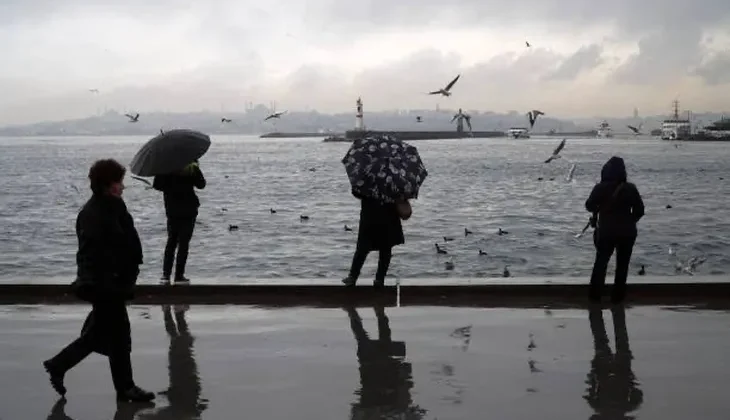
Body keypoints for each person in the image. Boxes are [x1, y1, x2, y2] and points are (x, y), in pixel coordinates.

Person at [42, 159, 155, 402]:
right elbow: (99, 251)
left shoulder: (110, 207)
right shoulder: (97, 213)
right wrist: (115, 277)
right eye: (119, 182)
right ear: (108, 185)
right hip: (105, 285)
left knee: (117, 336)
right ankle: (58, 364)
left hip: (111, 283)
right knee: (104, 334)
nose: (123, 187)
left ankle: (125, 387)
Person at [585, 156, 645, 303]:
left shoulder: (600, 188)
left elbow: (589, 206)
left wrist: (600, 209)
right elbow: (640, 210)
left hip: (606, 232)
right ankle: (617, 298)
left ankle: (595, 297)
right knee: (622, 266)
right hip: (627, 233)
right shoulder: (630, 188)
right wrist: (630, 221)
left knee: (601, 263)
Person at [153, 160, 206, 284]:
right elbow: (201, 184)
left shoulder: (165, 166)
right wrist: (195, 170)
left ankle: (165, 276)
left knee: (171, 241)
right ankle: (179, 276)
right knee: (184, 243)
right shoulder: (191, 166)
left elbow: (157, 185)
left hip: (172, 209)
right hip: (189, 209)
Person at [342, 196, 406, 287]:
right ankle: (379, 279)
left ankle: (353, 277)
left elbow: (357, 193)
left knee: (363, 248)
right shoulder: (393, 183)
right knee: (385, 249)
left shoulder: (367, 183)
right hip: (387, 216)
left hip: (371, 215)